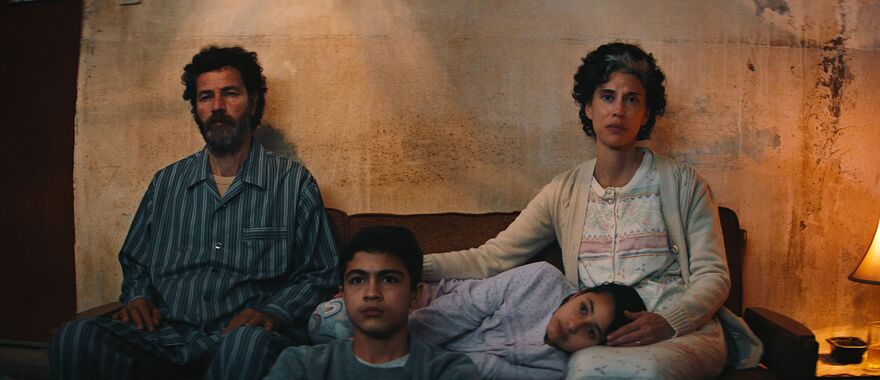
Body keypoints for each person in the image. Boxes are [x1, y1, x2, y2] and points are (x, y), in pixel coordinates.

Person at [421, 42, 759, 378]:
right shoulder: (563, 192)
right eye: (607, 96)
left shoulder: (684, 184)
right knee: (586, 368)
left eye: (632, 99)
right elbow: (491, 258)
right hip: (602, 343)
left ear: (645, 115)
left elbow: (713, 275)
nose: (618, 111)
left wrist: (669, 321)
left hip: (682, 333)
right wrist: (409, 265)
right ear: (588, 107)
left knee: (643, 372)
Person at [50, 46, 339, 380]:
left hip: (242, 338)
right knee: (75, 336)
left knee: (245, 345)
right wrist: (138, 296)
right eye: (205, 97)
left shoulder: (293, 182)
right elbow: (136, 261)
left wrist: (273, 311)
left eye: (230, 93)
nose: (217, 107)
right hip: (168, 336)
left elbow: (321, 272)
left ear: (254, 102)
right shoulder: (166, 182)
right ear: (196, 108)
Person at [265, 226, 481, 380]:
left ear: (415, 294)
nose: (371, 293)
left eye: (389, 279)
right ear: (342, 294)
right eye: (357, 280)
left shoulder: (448, 371)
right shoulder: (302, 366)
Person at [408, 262, 647, 379]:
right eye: (583, 308)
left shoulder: (557, 370)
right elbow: (463, 307)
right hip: (423, 309)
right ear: (577, 295)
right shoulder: (541, 278)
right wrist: (397, 344)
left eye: (591, 332)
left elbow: (487, 371)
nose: (573, 325)